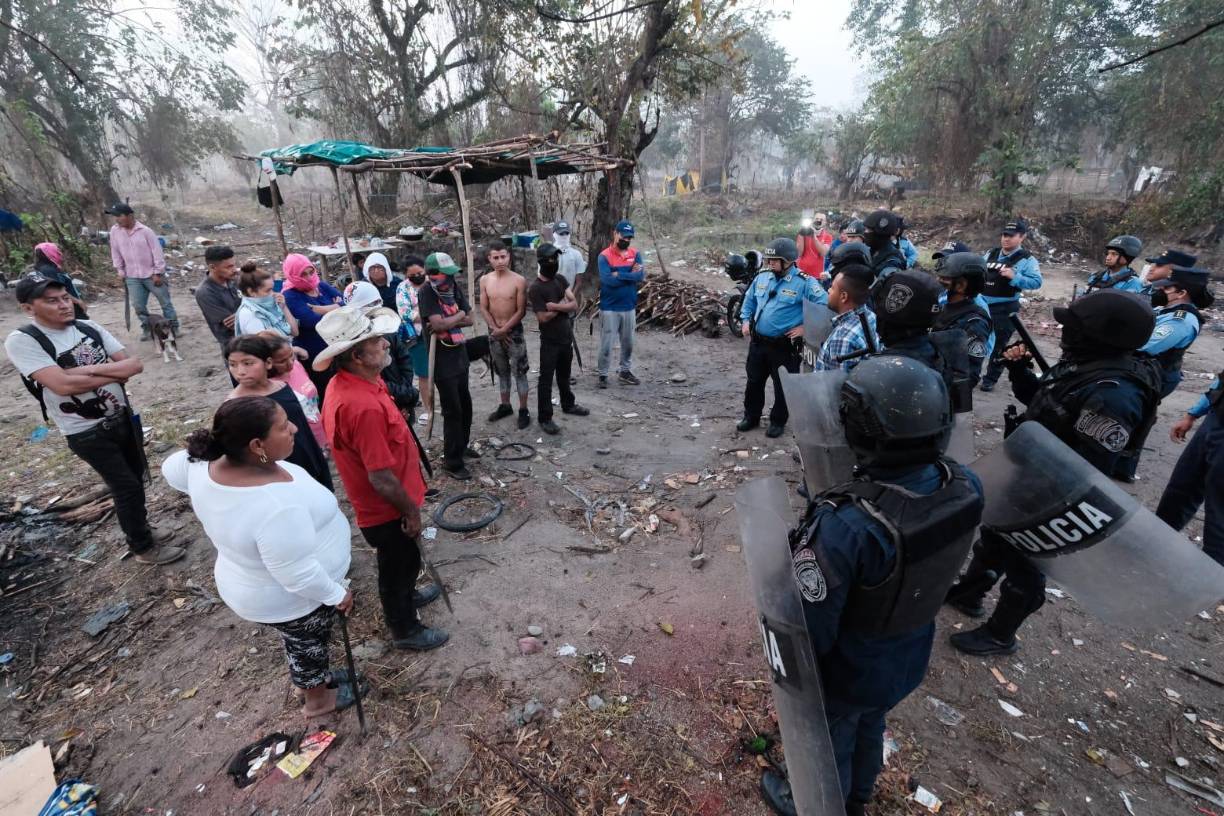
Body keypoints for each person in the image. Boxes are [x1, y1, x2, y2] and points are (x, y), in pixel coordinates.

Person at [759, 357, 984, 816]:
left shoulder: (846, 525)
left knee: (832, 739)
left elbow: (809, 626)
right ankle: (859, 795)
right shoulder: (965, 484)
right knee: (869, 723)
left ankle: (823, 803)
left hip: (850, 667)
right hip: (909, 650)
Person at [945, 290, 1161, 656]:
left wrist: (1043, 499)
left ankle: (1000, 634)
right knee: (994, 539)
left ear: (1101, 335)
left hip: (1055, 491)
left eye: (1073, 327)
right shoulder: (1087, 365)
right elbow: (1045, 403)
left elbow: (1087, 464)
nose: (1064, 333)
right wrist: (1020, 370)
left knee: (1027, 564)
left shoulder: (1115, 393)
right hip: (1029, 472)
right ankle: (970, 593)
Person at [162, 397, 360, 717]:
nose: (294, 428)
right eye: (283, 427)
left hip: (249, 582)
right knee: (308, 645)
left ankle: (313, 681)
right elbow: (297, 574)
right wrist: (336, 594)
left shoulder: (201, 464)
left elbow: (171, 470)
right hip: (290, 599)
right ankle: (318, 700)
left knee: (299, 643)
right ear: (257, 444)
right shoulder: (274, 507)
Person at [5, 274, 184, 565]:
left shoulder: (88, 327)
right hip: (86, 431)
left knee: (137, 478)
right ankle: (142, 547)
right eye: (52, 301)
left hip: (122, 416)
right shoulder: (24, 340)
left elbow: (132, 365)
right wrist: (101, 373)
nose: (64, 305)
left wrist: (76, 373)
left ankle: (141, 527)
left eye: (65, 297)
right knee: (125, 486)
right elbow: (62, 386)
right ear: (28, 308)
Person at [315, 306, 448, 651]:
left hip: (395, 498)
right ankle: (404, 629)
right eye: (377, 341)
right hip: (387, 508)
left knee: (407, 560)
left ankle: (409, 595)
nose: (386, 344)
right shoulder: (360, 405)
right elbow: (380, 478)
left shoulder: (359, 382)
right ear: (357, 356)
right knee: (396, 566)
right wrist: (411, 512)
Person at [737, 237, 828, 437]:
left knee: (782, 386)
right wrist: (745, 320)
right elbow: (749, 300)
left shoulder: (805, 282)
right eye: (768, 260)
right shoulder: (762, 277)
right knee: (754, 382)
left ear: (787, 261)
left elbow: (825, 305)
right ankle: (751, 416)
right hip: (758, 343)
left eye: (774, 260)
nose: (769, 264)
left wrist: (805, 327)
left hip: (784, 347)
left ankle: (778, 421)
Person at [226, 336, 332, 490]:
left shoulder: (281, 386)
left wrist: (316, 458)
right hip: (280, 471)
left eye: (248, 363)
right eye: (232, 365)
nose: (240, 372)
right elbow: (247, 451)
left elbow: (302, 427)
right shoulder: (236, 405)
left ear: (268, 363)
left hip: (307, 455)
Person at [417, 252, 477, 479]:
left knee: (466, 406)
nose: (449, 278)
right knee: (453, 411)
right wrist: (455, 318)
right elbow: (437, 324)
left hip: (459, 354)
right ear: (433, 274)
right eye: (445, 274)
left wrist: (454, 316)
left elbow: (470, 318)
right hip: (441, 361)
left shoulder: (452, 287)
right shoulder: (427, 292)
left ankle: (462, 446)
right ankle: (452, 461)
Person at [1158, 375, 1224, 566]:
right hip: (1216, 419)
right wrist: (1192, 414)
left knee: (1219, 515)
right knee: (1180, 490)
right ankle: (1152, 545)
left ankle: (1212, 575)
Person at [529, 243, 590, 435]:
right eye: (549, 259)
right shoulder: (535, 288)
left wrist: (554, 306)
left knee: (564, 375)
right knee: (546, 380)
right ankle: (545, 417)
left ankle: (568, 404)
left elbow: (574, 304)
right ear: (541, 262)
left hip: (565, 337)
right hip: (549, 341)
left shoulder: (560, 279)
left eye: (555, 258)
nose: (553, 262)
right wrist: (562, 305)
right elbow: (542, 317)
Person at [979, 218, 1043, 392]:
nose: (1006, 239)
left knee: (999, 345)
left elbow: (1036, 282)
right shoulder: (991, 253)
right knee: (976, 340)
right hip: (982, 305)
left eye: (1011, 236)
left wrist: (1015, 277)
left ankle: (990, 379)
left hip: (1004, 308)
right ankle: (972, 374)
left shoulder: (1027, 259)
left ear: (1022, 237)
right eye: (1004, 235)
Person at [107, 202, 179, 340]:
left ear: (130, 215)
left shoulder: (145, 231)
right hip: (132, 275)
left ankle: (173, 328)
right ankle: (147, 328)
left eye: (119, 216)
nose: (116, 219)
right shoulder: (115, 231)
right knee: (138, 305)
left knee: (165, 303)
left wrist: (157, 272)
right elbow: (115, 251)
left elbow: (157, 252)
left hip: (152, 274)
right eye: (115, 216)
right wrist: (120, 269)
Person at [344, 280, 419, 411]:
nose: (385, 344)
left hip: (400, 393)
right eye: (371, 304)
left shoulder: (388, 330)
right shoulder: (353, 342)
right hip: (381, 401)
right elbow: (372, 380)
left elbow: (404, 359)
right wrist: (403, 394)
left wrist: (405, 389)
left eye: (377, 302)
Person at [479, 244, 531, 428]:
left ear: (509, 257)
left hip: (513, 332)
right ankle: (505, 405)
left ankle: (523, 409)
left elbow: (521, 310)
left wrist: (505, 330)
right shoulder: (485, 280)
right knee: (502, 371)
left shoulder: (519, 280)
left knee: (520, 371)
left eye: (503, 256)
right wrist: (495, 329)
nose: (500, 261)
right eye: (496, 257)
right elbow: (483, 308)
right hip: (494, 332)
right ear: (489, 259)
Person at [1141, 266, 1211, 397]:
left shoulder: (1181, 321)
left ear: (1181, 293)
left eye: (1167, 288)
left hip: (1155, 377)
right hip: (1146, 370)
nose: (1161, 290)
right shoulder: (1166, 310)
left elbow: (1146, 346)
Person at [281, 254, 343, 396]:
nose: (309, 277)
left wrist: (322, 309)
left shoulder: (321, 285)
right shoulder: (290, 296)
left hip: (337, 349)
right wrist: (337, 307)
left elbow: (347, 304)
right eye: (303, 274)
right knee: (326, 393)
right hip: (315, 354)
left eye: (311, 271)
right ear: (292, 274)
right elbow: (312, 321)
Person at [932, 250, 994, 387]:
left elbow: (968, 376)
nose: (938, 282)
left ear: (961, 286)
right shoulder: (941, 307)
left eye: (944, 280)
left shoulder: (974, 323)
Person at [596, 219, 645, 388]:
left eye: (629, 237)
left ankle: (625, 371)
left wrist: (620, 275)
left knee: (628, 342)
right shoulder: (604, 256)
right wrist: (629, 275)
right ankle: (603, 374)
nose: (626, 240)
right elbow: (607, 280)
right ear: (615, 234)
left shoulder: (635, 254)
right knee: (607, 343)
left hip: (629, 306)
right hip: (609, 307)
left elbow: (640, 276)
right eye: (624, 236)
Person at [262, 332, 328, 453]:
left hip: (322, 432)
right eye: (282, 361)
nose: (290, 363)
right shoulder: (269, 387)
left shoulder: (296, 366)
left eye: (291, 355)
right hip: (302, 443)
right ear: (267, 363)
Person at [814, 264, 878, 372]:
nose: (828, 290)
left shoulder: (843, 339)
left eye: (832, 287)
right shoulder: (870, 315)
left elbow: (837, 382)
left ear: (843, 296)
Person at [395, 255, 430, 419]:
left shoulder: (432, 282)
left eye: (420, 273)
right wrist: (429, 315)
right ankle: (429, 409)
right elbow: (405, 313)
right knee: (424, 373)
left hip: (438, 331)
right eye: (412, 275)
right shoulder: (403, 288)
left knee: (442, 370)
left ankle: (445, 403)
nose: (417, 276)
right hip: (417, 336)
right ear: (406, 275)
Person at [194, 246, 241, 355]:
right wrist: (253, 311)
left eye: (234, 265)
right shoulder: (205, 292)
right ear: (212, 267)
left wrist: (241, 315)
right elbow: (233, 324)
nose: (235, 269)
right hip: (234, 345)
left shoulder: (235, 279)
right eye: (229, 267)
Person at [236, 265, 299, 338]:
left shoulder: (269, 307)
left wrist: (284, 308)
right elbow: (266, 344)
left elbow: (295, 332)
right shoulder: (249, 314)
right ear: (251, 292)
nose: (273, 293)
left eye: (272, 289)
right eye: (268, 290)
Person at [33, 242, 87, 318]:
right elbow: (57, 290)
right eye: (57, 251)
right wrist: (78, 302)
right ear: (50, 253)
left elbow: (58, 282)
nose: (60, 253)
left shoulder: (47, 268)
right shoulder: (48, 270)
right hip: (67, 306)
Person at [861, 209, 907, 282]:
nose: (865, 233)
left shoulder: (892, 261)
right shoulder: (873, 251)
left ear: (880, 233)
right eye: (865, 229)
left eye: (869, 230)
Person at [552, 221, 586, 295]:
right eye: (561, 234)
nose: (564, 236)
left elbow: (579, 282)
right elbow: (543, 278)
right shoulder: (548, 254)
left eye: (566, 233)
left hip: (570, 295)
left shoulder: (576, 254)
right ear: (554, 235)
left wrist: (571, 297)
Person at [795, 214, 831, 279]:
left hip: (817, 274)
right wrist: (801, 234)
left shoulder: (827, 236)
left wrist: (814, 236)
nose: (818, 221)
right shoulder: (804, 233)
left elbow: (823, 253)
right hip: (801, 272)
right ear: (813, 220)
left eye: (821, 220)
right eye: (816, 219)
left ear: (825, 222)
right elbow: (799, 253)